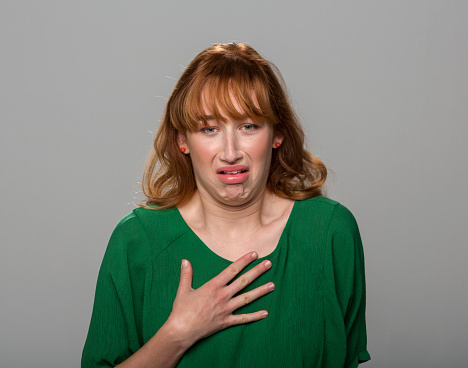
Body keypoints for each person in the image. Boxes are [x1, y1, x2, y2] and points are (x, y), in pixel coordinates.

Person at [82, 43, 370, 368]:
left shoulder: (330, 233)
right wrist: (177, 333)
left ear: (278, 134)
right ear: (182, 141)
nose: (230, 152)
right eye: (209, 129)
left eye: (248, 126)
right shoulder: (137, 241)